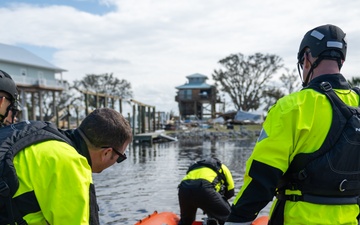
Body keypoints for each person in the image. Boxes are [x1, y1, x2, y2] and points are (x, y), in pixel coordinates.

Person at [224, 24, 360, 225]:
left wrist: (237, 219)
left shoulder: (291, 106)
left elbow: (262, 175)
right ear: (342, 60)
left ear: (306, 58)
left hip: (297, 218)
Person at [7, 107, 132, 224]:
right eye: (120, 157)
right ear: (107, 152)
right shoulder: (71, 164)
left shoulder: (44, 140)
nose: (117, 161)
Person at [178, 157, 235, 225]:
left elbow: (193, 187)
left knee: (186, 221)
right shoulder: (222, 167)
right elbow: (230, 192)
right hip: (204, 188)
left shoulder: (195, 167)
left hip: (184, 188)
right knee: (230, 217)